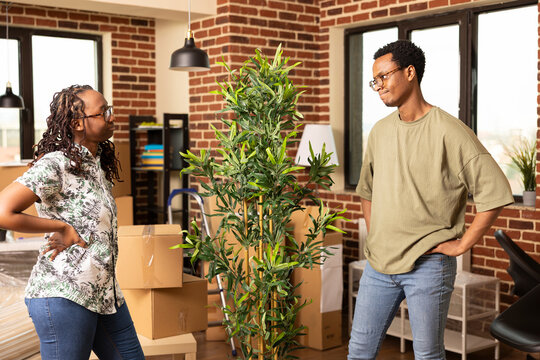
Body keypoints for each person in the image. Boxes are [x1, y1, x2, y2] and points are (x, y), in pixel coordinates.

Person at [348, 40, 514, 360]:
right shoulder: (380, 132)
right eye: (375, 80)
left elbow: (494, 192)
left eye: (384, 76)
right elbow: (367, 191)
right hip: (379, 265)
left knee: (427, 355)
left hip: (428, 265)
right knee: (358, 352)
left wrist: (461, 245)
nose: (378, 86)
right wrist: (378, 233)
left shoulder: (450, 131)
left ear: (410, 72)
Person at [0, 85, 145, 359]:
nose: (111, 117)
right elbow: (2, 210)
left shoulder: (96, 166)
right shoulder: (55, 164)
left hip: (104, 295)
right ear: (78, 123)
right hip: (65, 294)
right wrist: (62, 228)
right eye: (103, 112)